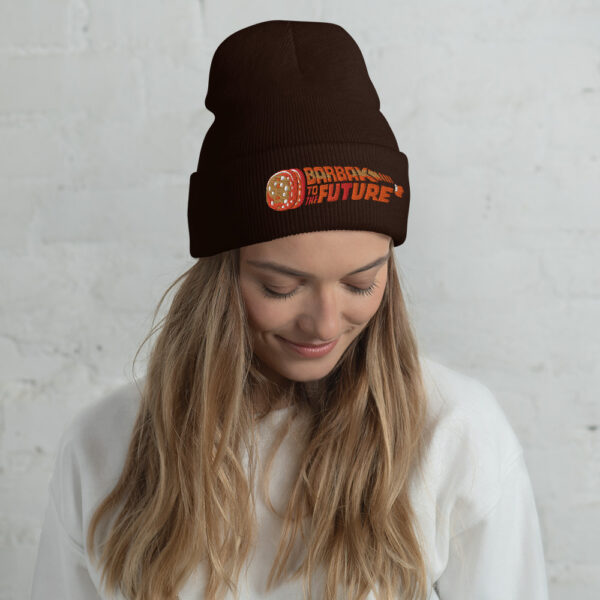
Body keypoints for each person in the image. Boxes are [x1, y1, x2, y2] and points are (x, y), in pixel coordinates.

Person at [31, 19, 549, 600]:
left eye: (361, 283)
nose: (325, 324)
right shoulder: (103, 447)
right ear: (222, 277)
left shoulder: (456, 436)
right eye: (281, 287)